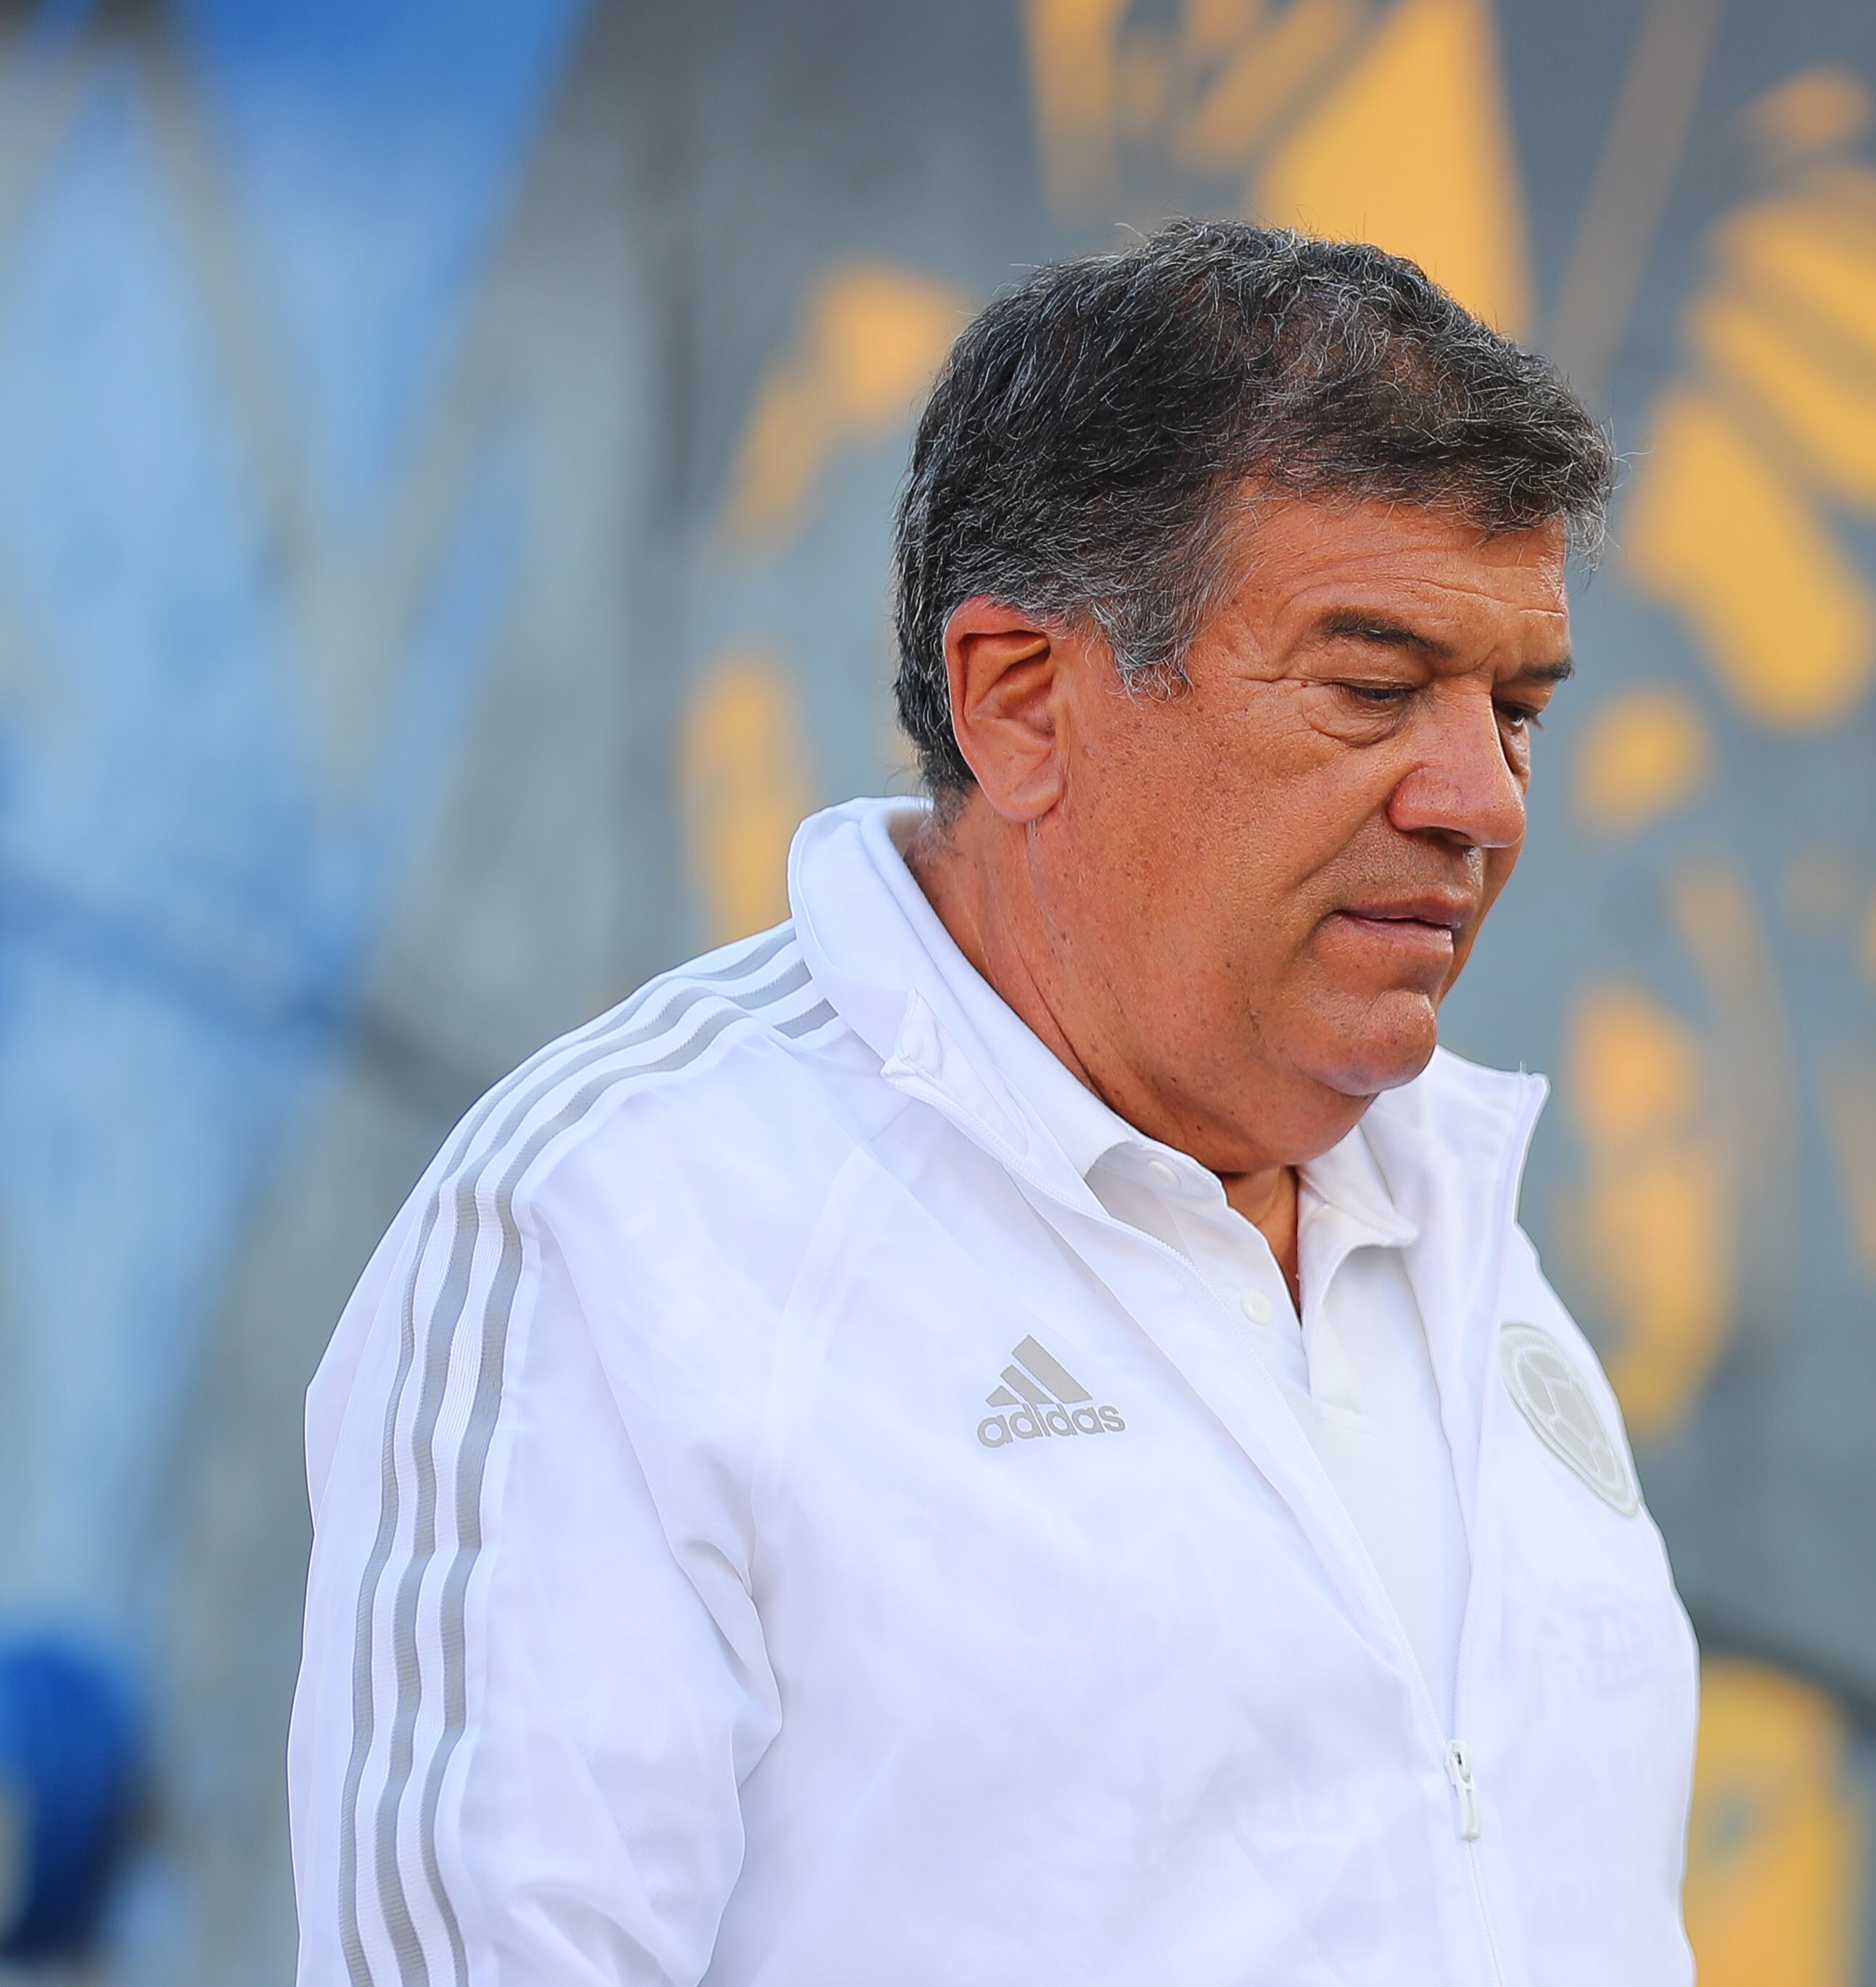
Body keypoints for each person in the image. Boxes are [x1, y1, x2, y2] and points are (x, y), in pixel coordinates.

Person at [286, 221, 1697, 1985]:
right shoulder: (625, 1230)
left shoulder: (1459, 1214)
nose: (1479, 795)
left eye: (1519, 709)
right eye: (1375, 685)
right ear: (1022, 701)